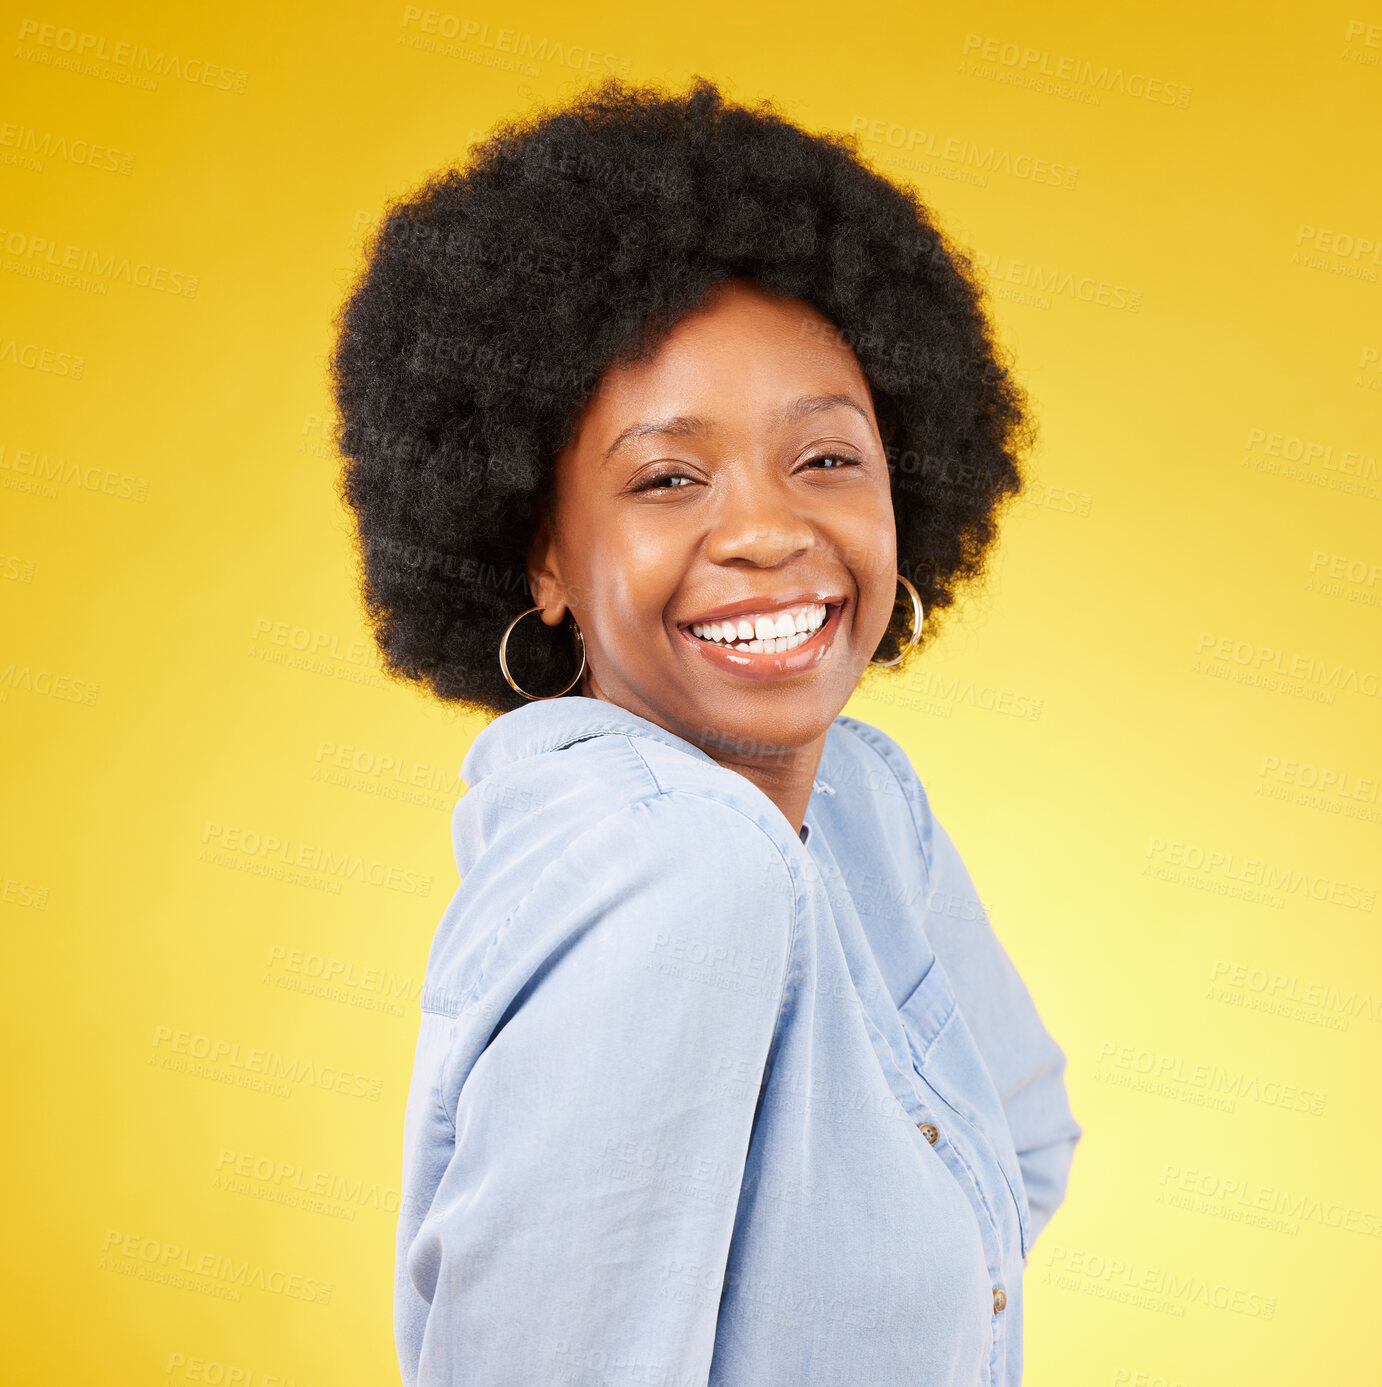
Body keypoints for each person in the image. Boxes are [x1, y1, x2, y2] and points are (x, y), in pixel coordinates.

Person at [329, 74, 1082, 1387]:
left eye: (827, 457)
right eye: (666, 478)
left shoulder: (855, 797)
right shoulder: (675, 863)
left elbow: (1019, 1143)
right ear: (540, 554)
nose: (766, 531)